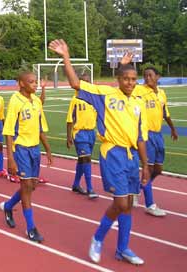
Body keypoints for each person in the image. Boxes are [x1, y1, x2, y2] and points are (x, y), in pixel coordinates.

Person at [49, 39, 149, 265]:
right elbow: (76, 84)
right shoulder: (105, 95)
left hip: (132, 157)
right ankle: (97, 238)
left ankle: (123, 248)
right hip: (112, 153)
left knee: (129, 204)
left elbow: (141, 137)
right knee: (121, 204)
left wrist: (146, 165)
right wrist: (65, 56)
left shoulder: (138, 103)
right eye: (126, 78)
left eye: (134, 79)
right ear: (118, 79)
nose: (130, 82)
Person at [0, 71, 52, 243]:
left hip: (35, 149)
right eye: (31, 82)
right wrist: (10, 157)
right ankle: (31, 228)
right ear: (21, 83)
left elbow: (40, 128)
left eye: (35, 82)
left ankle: (8, 206)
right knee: (26, 185)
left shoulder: (36, 101)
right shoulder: (15, 101)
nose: (35, 84)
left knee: (31, 186)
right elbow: (8, 131)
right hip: (20, 148)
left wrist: (48, 150)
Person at [132, 66, 178, 216]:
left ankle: (137, 189)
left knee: (158, 170)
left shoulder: (162, 94)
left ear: (158, 77)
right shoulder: (140, 90)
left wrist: (172, 128)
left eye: (150, 75)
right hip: (146, 135)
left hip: (158, 135)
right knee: (148, 169)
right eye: (145, 76)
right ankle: (150, 205)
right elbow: (127, 87)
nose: (147, 78)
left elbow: (165, 112)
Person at [66, 73, 98, 199]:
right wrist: (69, 137)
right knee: (86, 159)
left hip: (91, 133)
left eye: (88, 82)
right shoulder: (75, 100)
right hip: (80, 133)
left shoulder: (93, 100)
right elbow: (69, 120)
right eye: (84, 82)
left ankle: (76, 184)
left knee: (82, 159)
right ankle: (90, 188)